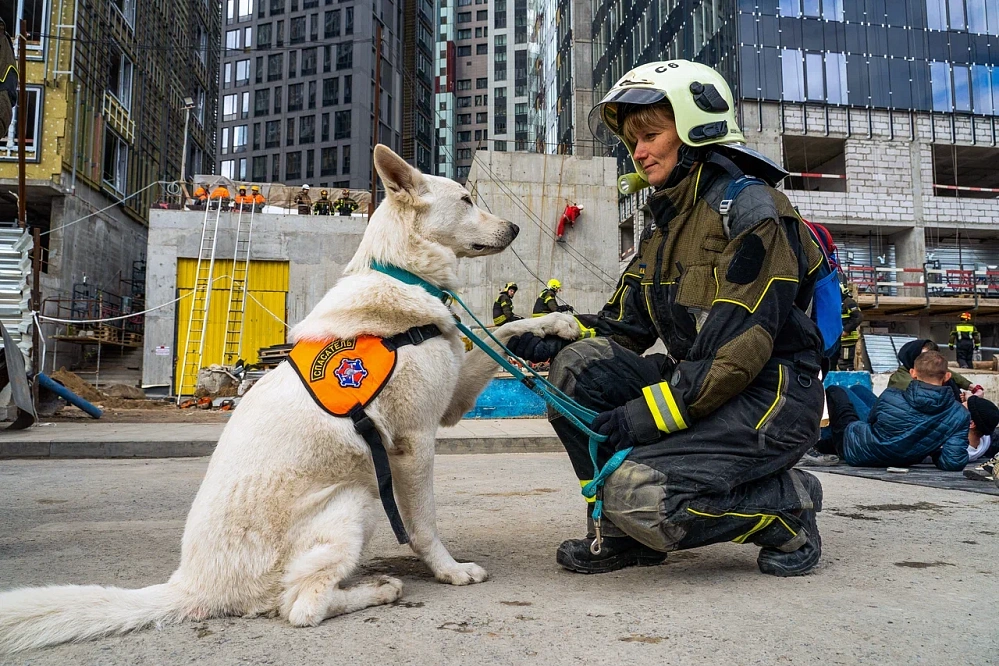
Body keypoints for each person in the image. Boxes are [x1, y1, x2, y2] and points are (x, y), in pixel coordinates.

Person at [507, 60, 827, 576]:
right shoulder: (665, 223)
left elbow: (735, 354)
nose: (637, 151)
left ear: (698, 129)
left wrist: (647, 416)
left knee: (642, 497)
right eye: (633, 140)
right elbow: (624, 327)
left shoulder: (753, 211)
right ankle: (619, 533)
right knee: (575, 367)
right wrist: (549, 333)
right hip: (704, 384)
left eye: (651, 134)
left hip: (772, 400)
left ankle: (784, 507)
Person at [820, 351, 972, 471]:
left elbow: (870, 422)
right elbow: (953, 461)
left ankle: (817, 441)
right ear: (947, 376)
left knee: (836, 390)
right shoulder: (960, 414)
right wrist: (930, 448)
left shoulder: (891, 395)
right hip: (905, 457)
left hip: (856, 450)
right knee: (858, 389)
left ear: (913, 372)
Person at [888, 338, 982, 398]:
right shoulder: (902, 381)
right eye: (925, 357)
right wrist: (968, 402)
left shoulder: (924, 369)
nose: (930, 362)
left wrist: (972, 387)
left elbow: (945, 371)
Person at [838, 285, 862, 370]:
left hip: (847, 339)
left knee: (845, 363)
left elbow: (857, 317)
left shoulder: (849, 302)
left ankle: (848, 382)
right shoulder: (835, 303)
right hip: (838, 340)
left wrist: (846, 330)